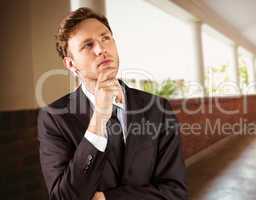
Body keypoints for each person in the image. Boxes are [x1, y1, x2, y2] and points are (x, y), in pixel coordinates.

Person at [38, 7, 187, 200]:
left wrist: (109, 199)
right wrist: (98, 119)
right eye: (87, 45)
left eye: (105, 38)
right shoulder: (54, 118)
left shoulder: (158, 108)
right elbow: (63, 197)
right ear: (71, 64)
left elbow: (176, 192)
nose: (101, 49)